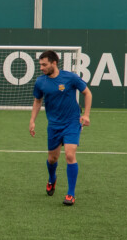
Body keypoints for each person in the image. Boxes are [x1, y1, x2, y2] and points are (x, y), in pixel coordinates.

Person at [29, 50, 92, 206]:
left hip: (72, 122)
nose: (41, 68)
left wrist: (87, 115)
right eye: (40, 65)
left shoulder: (70, 77)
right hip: (54, 125)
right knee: (52, 159)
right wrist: (32, 120)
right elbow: (37, 101)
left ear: (54, 63)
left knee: (70, 155)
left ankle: (70, 194)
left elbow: (87, 93)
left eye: (44, 64)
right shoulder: (40, 82)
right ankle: (52, 179)